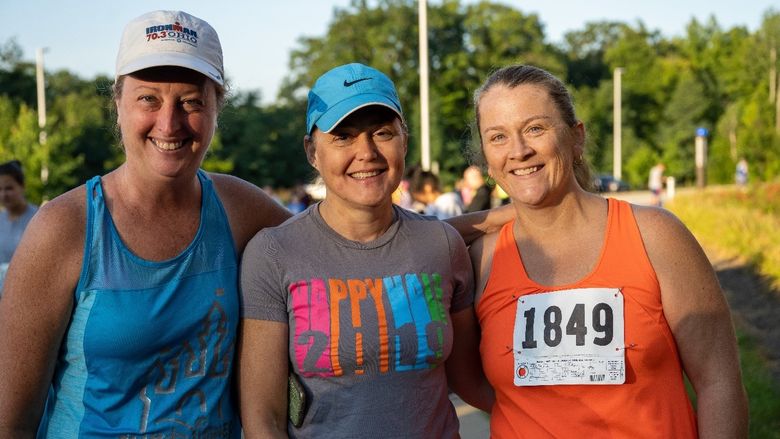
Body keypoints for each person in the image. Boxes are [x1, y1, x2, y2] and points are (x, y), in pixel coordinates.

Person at [0, 10, 290, 437]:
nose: (169, 123)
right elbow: (11, 421)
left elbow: (328, 251)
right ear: (117, 104)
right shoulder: (65, 227)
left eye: (191, 101)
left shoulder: (240, 208)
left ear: (217, 108)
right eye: (148, 98)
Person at [467, 65, 747, 438]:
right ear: (487, 158)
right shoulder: (479, 260)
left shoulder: (655, 236)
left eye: (535, 128)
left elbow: (719, 381)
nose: (518, 150)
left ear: (576, 138)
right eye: (498, 137)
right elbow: (473, 385)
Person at [237, 63, 492, 438]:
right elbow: (264, 419)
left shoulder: (443, 245)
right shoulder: (274, 254)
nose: (367, 152)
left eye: (383, 133)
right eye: (343, 137)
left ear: (404, 140)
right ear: (312, 151)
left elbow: (471, 382)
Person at [0, 160, 38, 292]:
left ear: (22, 186)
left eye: (9, 188)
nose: (3, 195)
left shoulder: (39, 219)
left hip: (30, 291)